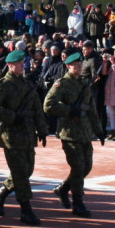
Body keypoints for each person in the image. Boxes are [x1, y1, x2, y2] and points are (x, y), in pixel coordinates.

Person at [0, 48, 47, 225]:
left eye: (23, 63)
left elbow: (37, 109)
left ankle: (1, 193)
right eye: (19, 64)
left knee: (26, 172)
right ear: (10, 66)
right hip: (12, 136)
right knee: (20, 174)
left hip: (27, 135)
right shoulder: (4, 84)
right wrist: (12, 116)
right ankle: (26, 210)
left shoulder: (27, 85)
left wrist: (42, 129)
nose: (22, 66)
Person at [43, 51, 104, 217]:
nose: (78, 66)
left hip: (84, 131)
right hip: (69, 132)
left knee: (86, 166)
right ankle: (78, 203)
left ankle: (63, 189)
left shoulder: (84, 84)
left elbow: (91, 109)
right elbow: (48, 105)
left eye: (80, 64)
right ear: (68, 66)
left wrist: (98, 130)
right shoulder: (61, 83)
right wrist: (69, 110)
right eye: (75, 64)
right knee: (77, 168)